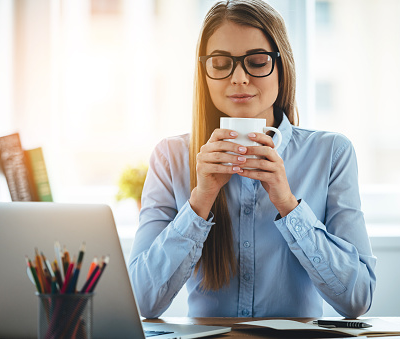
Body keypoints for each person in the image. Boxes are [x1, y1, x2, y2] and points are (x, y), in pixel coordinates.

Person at [128, 0, 376, 319]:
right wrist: (201, 199)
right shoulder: (170, 158)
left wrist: (288, 204)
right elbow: (143, 301)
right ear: (204, 73)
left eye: (257, 61)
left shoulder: (331, 153)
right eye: (221, 63)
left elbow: (357, 300)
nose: (240, 78)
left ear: (281, 66)